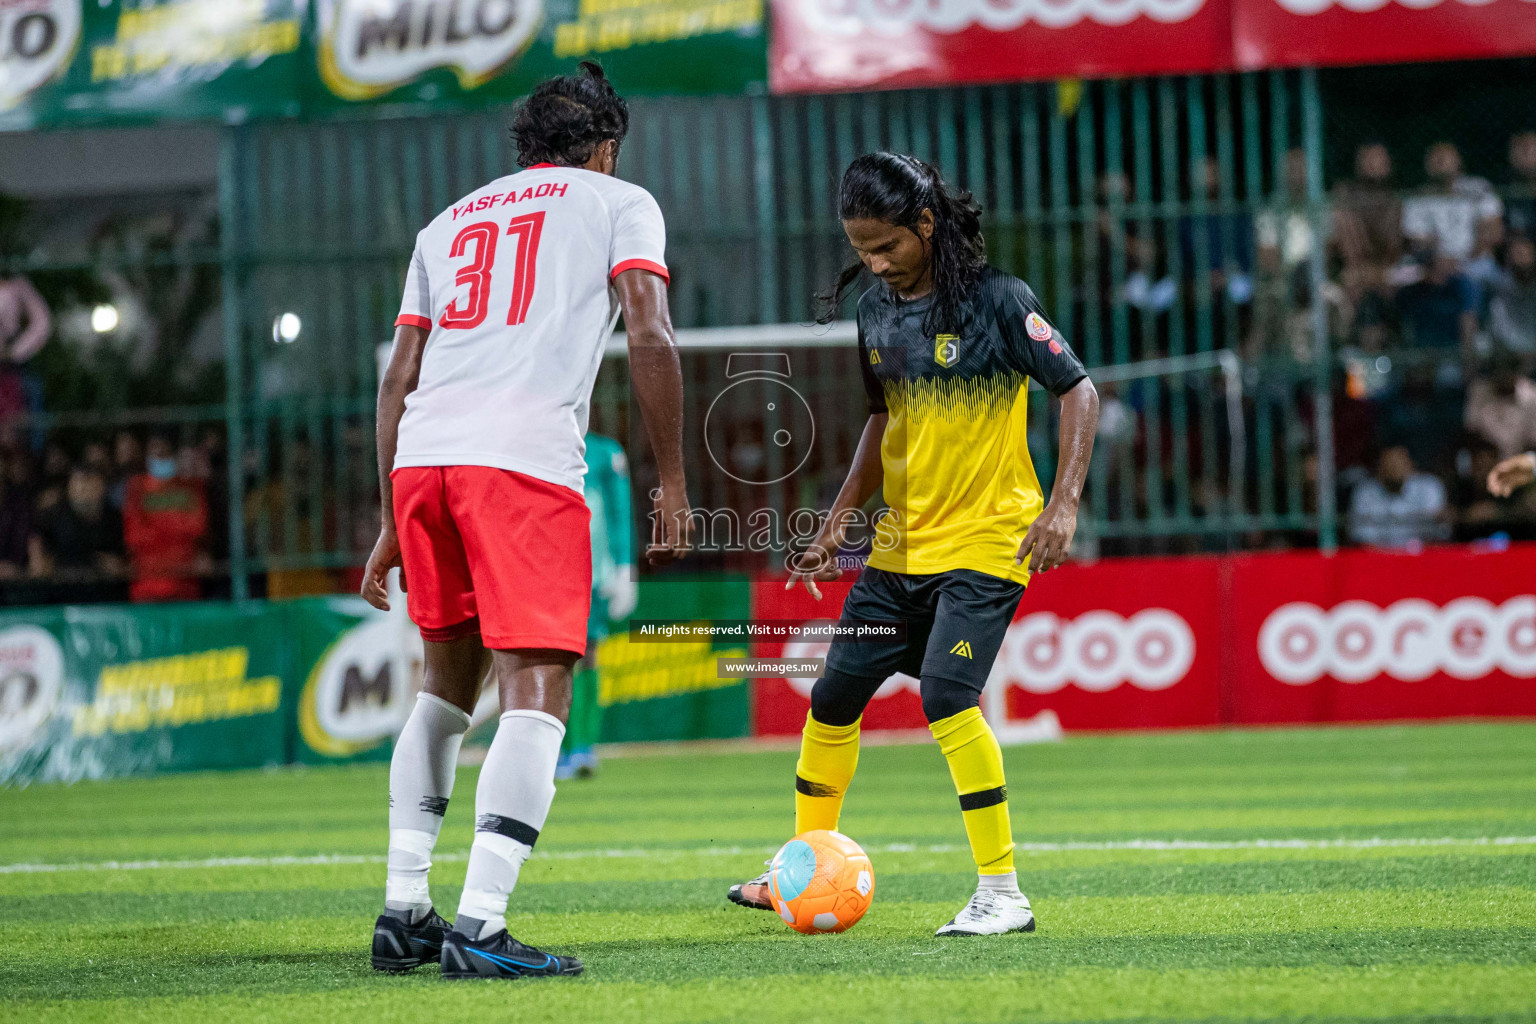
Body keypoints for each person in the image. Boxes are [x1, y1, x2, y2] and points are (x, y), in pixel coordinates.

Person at [361, 63, 690, 981]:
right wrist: (672, 481)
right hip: (520, 465)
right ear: (607, 143)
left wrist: (392, 513)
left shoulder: (448, 221)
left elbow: (397, 378)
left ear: (526, 145)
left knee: (443, 689)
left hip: (425, 463)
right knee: (538, 686)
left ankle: (404, 912)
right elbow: (651, 333)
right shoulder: (621, 201)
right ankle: (482, 924)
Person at [726, 153, 1099, 937]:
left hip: (989, 539)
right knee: (831, 698)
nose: (874, 263)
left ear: (925, 225)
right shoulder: (876, 312)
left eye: (886, 246)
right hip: (900, 548)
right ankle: (798, 862)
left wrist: (1062, 505)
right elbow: (881, 419)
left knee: (946, 698)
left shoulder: (1000, 302)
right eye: (861, 249)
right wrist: (835, 525)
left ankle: (1003, 893)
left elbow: (1078, 390)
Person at [556, 431, 637, 780]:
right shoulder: (538, 440)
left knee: (588, 655)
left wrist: (625, 566)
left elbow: (621, 510)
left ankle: (583, 746)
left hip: (593, 573)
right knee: (551, 661)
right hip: (546, 572)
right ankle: (556, 748)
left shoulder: (605, 453)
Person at [1402, 142, 1503, 288]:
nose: (1441, 160)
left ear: (1458, 160)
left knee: (1479, 274)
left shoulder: (1479, 187)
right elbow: (1417, 240)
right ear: (1426, 165)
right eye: (1435, 157)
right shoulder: (1417, 198)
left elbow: (1494, 229)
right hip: (1431, 264)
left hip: (1476, 260)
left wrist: (1465, 260)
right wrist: (1438, 261)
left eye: (1446, 156)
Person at [121, 435, 209, 602]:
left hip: (185, 583)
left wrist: (157, 526)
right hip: (146, 585)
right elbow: (133, 535)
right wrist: (176, 524)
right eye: (155, 452)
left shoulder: (192, 487)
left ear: (175, 456)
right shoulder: (136, 487)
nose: (159, 457)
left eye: (165, 453)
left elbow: (198, 528)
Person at [1346, 445, 1448, 550]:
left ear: (1410, 465)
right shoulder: (1365, 492)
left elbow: (1437, 534)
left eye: (1399, 463)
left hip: (1422, 557)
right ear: (1379, 469)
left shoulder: (1429, 486)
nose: (1394, 469)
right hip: (1379, 559)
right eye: (1389, 464)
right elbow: (1363, 539)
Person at [1464, 350, 1536, 461]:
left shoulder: (1531, 395)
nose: (1503, 376)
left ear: (1516, 372)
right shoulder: (1479, 391)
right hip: (1486, 461)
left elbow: (1532, 442)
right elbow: (1472, 433)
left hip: (1519, 464)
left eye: (1507, 370)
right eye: (1498, 370)